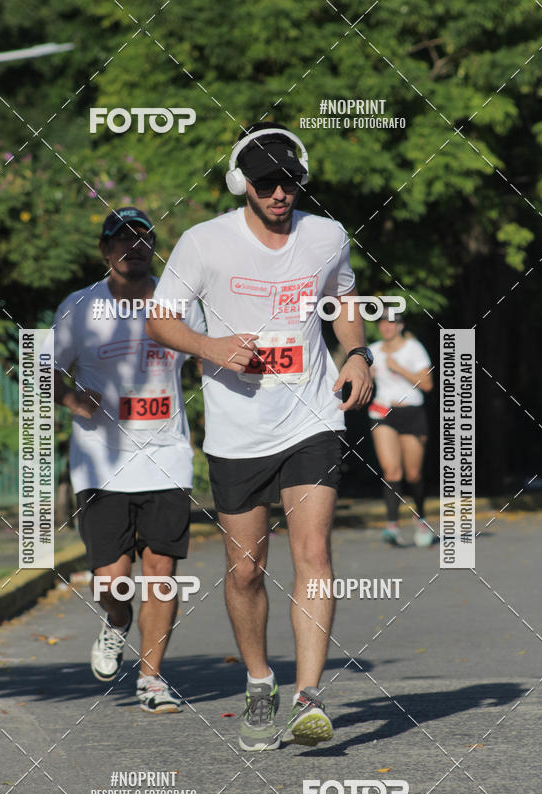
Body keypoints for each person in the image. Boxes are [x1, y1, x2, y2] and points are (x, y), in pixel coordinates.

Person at [146, 123, 374, 750]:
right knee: (245, 570)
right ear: (240, 182)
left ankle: (308, 697)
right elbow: (160, 321)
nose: (280, 193)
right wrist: (210, 345)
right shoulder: (204, 242)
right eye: (267, 182)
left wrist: (357, 355)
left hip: (311, 417)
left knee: (314, 553)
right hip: (237, 430)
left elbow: (344, 300)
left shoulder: (326, 236)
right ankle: (258, 682)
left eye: (290, 181)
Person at [53, 206, 205, 712]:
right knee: (112, 580)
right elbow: (42, 368)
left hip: (167, 456)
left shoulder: (176, 304)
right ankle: (117, 621)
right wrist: (72, 398)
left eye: (143, 238)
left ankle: (151, 679)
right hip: (101, 462)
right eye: (122, 238)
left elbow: (206, 359)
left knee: (161, 570)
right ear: (105, 250)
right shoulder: (80, 307)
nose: (134, 246)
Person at [368, 310, 434, 546]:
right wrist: (368, 375)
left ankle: (421, 518)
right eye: (382, 323)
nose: (386, 327)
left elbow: (427, 384)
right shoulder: (373, 350)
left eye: (391, 322)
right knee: (391, 471)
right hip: (383, 412)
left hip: (411, 412)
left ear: (400, 325)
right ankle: (392, 526)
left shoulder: (413, 348)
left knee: (413, 474)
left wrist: (399, 368)